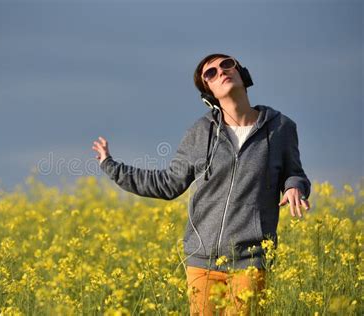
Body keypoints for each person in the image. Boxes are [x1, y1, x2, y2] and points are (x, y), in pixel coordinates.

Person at [91, 53, 311, 315]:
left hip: (250, 260)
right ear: (209, 93)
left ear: (242, 73)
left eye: (227, 65)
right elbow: (168, 183)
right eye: (211, 73)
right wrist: (111, 165)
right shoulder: (201, 132)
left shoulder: (280, 128)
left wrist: (294, 185)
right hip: (201, 262)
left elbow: (294, 172)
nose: (221, 72)